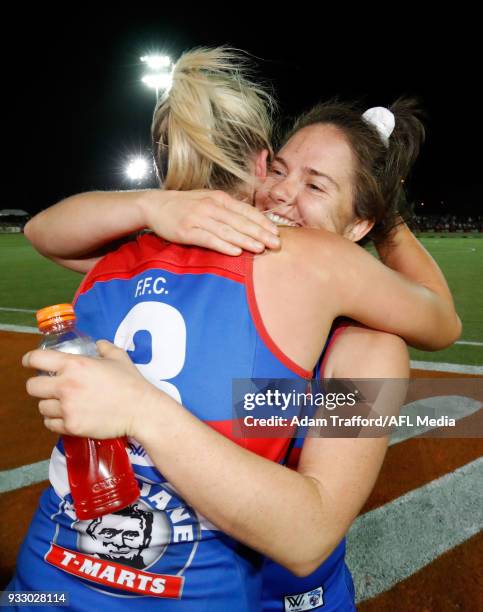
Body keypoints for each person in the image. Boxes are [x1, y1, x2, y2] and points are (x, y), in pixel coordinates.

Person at [13, 47, 460, 611]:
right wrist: (157, 207)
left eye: (316, 186)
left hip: (287, 593)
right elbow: (49, 232)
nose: (280, 194)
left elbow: (307, 533)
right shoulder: (225, 253)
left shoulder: (367, 348)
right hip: (209, 582)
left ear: (361, 223)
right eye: (278, 170)